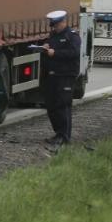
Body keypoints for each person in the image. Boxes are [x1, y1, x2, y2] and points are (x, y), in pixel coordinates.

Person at [40, 10, 81, 147]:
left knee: (63, 105)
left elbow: (74, 53)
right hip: (52, 75)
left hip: (65, 75)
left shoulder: (72, 36)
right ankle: (58, 133)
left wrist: (55, 53)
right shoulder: (53, 35)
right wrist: (45, 48)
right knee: (51, 105)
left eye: (56, 25)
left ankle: (65, 136)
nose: (54, 28)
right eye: (53, 26)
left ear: (64, 22)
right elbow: (50, 48)